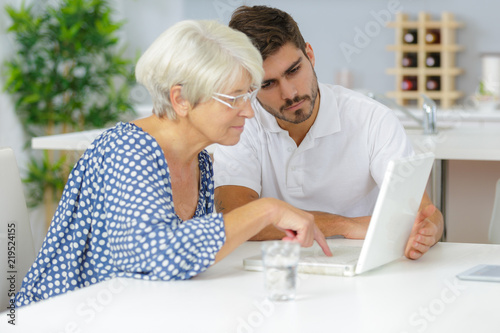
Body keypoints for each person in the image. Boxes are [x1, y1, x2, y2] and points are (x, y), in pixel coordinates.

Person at [15, 20, 332, 307]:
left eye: (248, 95)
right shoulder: (124, 151)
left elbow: (182, 267)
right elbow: (159, 257)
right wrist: (266, 210)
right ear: (180, 99)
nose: (248, 112)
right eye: (233, 98)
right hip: (57, 319)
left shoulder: (200, 162)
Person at [213, 5, 444, 260]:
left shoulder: (372, 119)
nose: (289, 93)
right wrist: (345, 225)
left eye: (294, 70)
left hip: (360, 267)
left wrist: (428, 230)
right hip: (274, 271)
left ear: (310, 55)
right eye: (268, 84)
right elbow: (235, 217)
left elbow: (424, 212)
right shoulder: (240, 125)